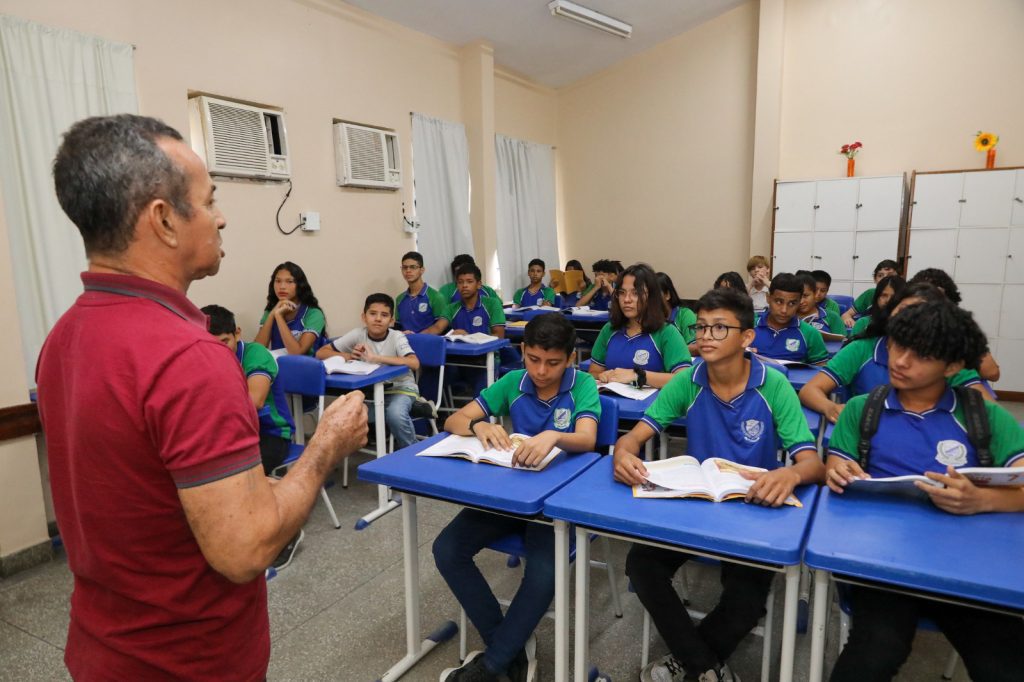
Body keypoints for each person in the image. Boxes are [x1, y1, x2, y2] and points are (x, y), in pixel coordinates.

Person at [37, 114, 367, 680]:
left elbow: (141, 491)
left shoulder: (64, 335)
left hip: (103, 647)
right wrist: (325, 447)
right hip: (188, 659)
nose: (221, 217)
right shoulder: (188, 356)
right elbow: (245, 550)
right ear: (164, 219)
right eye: (210, 200)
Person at [613, 287, 825, 682]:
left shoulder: (773, 384)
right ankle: (705, 667)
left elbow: (813, 465)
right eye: (701, 327)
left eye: (719, 328)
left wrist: (790, 473)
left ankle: (687, 661)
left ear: (747, 337)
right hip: (694, 504)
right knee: (641, 564)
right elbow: (633, 437)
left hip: (752, 509)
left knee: (747, 600)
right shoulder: (688, 380)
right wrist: (623, 454)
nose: (705, 336)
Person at [825, 300, 1024, 682]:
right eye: (898, 346)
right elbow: (836, 464)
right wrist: (837, 470)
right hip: (883, 564)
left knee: (1004, 663)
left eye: (921, 356)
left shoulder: (983, 416)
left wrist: (982, 499)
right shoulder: (862, 410)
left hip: (967, 567)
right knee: (875, 652)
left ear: (951, 366)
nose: (900, 360)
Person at [433, 313, 600, 682]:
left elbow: (588, 438)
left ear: (571, 358)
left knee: (543, 572)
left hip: (557, 503)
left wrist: (555, 436)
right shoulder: (512, 381)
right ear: (523, 351)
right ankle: (509, 650)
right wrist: (480, 425)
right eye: (533, 359)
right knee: (447, 549)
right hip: (510, 494)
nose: (541, 371)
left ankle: (493, 665)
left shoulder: (583, 384)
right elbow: (453, 421)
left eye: (553, 363)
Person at [203, 303, 306, 572]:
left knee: (239, 474)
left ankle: (288, 531)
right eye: (209, 344)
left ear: (237, 333)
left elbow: (254, 402)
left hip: (271, 434)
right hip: (233, 435)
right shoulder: (207, 358)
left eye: (223, 341)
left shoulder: (255, 354)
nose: (217, 349)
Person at [799, 283, 991, 424]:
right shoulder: (863, 348)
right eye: (903, 310)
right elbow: (810, 390)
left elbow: (989, 411)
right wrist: (830, 407)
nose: (909, 318)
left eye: (920, 312)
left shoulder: (944, 358)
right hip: (869, 431)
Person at [317, 293, 421, 449]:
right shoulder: (358, 334)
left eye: (384, 315)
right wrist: (349, 355)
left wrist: (376, 358)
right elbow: (321, 353)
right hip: (373, 393)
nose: (378, 319)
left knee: (395, 414)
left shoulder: (397, 337)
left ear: (391, 321)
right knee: (348, 414)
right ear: (364, 317)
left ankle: (413, 454)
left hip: (402, 389)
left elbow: (414, 363)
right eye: (373, 314)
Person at [589, 263, 692, 390]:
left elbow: (684, 379)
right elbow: (593, 371)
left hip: (653, 407)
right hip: (612, 403)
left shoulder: (667, 332)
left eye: (635, 293)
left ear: (651, 297)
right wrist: (602, 375)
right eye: (622, 293)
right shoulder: (609, 330)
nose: (627, 299)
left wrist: (638, 376)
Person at [751, 273, 829, 364]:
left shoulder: (810, 334)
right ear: (768, 298)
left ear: (799, 302)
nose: (784, 310)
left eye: (792, 303)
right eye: (779, 302)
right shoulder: (749, 326)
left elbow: (820, 368)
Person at [253, 261, 326, 355]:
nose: (282, 287)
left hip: (306, 367)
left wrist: (279, 316)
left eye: (289, 282)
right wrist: (272, 314)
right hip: (277, 365)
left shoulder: (314, 314)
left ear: (300, 285)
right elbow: (257, 351)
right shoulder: (270, 311)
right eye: (278, 281)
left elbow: (297, 353)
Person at [395, 250, 448, 333]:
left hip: (427, 344)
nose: (408, 270)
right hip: (404, 344)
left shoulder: (436, 297)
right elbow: (397, 327)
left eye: (413, 267)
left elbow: (441, 328)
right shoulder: (399, 299)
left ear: (422, 270)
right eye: (405, 267)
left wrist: (417, 337)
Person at [841, 259, 898, 327]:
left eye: (890, 275)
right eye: (880, 275)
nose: (885, 279)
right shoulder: (870, 294)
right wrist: (852, 323)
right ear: (875, 279)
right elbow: (846, 315)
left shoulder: (904, 296)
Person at [795, 272, 845, 336]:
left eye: (805, 296)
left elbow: (844, 343)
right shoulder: (787, 317)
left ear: (815, 294)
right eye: (798, 297)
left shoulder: (833, 317)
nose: (801, 301)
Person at [657, 271, 697, 350]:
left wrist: (668, 350)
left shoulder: (685, 315)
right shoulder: (648, 319)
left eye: (655, 295)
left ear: (667, 295)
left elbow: (696, 347)